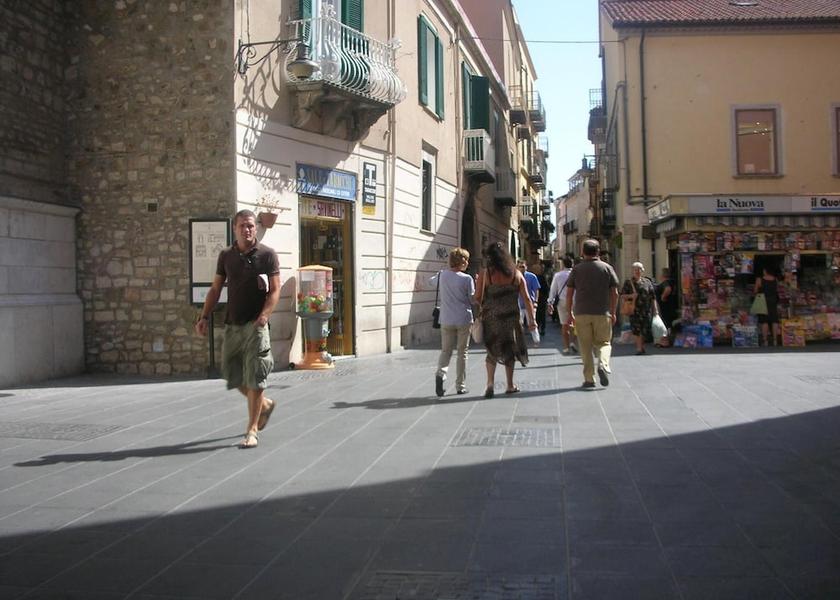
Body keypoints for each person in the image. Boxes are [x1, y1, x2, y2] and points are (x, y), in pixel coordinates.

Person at [194, 210, 280, 449]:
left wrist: (264, 315)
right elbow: (214, 289)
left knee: (255, 376)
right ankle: (263, 405)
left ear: (255, 227)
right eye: (242, 225)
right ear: (235, 229)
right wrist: (204, 316)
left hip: (256, 325)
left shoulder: (267, 255)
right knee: (230, 374)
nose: (247, 229)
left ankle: (251, 430)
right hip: (233, 324)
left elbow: (275, 290)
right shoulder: (226, 256)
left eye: (251, 225)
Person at [476, 243, 537, 398]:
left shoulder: (485, 274)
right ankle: (510, 385)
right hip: (511, 318)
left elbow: (477, 297)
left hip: (491, 317)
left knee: (492, 351)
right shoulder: (516, 274)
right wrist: (532, 320)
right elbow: (527, 299)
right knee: (510, 350)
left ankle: (490, 384)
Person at [565, 239, 619, 388]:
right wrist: (613, 311)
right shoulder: (607, 268)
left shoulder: (576, 269)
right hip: (602, 312)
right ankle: (603, 364)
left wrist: (570, 313)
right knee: (604, 343)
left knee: (585, 346)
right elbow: (614, 292)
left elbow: (569, 294)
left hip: (581, 312)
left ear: (582, 252)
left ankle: (589, 379)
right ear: (598, 251)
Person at [433, 248, 475, 397]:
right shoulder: (467, 279)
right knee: (462, 353)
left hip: (446, 318)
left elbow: (432, 283)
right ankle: (460, 386)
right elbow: (472, 299)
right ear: (462, 262)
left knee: (446, 351)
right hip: (463, 318)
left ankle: (440, 374)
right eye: (466, 260)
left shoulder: (442, 275)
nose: (468, 263)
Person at [621, 262, 659, 355]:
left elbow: (653, 296)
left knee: (645, 329)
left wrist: (656, 310)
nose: (637, 271)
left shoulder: (647, 282)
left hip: (646, 310)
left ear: (642, 271)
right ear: (633, 271)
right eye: (635, 270)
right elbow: (622, 296)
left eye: (639, 269)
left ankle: (641, 346)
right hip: (634, 309)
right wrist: (631, 295)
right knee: (637, 329)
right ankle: (639, 348)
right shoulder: (628, 282)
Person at [547, 257, 577, 354]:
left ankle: (566, 347)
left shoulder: (558, 275)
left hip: (562, 301)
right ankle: (573, 342)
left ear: (563, 264)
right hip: (574, 301)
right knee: (574, 322)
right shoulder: (576, 274)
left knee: (564, 324)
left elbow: (553, 289)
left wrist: (550, 302)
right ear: (572, 264)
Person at [753, 266, 781, 346]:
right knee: (774, 320)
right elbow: (777, 290)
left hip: (762, 301)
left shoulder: (759, 279)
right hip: (773, 301)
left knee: (764, 321)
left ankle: (765, 341)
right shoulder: (775, 279)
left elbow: (755, 291)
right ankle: (775, 340)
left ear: (765, 271)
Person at [516, 260, 540, 330]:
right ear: (517, 267)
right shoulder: (515, 277)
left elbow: (536, 289)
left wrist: (536, 301)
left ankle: (536, 339)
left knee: (532, 323)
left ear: (526, 267)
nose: (521, 268)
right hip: (518, 304)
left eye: (523, 267)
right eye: (520, 267)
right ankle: (519, 338)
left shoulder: (532, 276)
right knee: (519, 324)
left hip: (530, 303)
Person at [656, 267, 678, 333]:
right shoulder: (672, 282)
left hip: (665, 308)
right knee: (670, 325)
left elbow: (668, 289)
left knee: (666, 324)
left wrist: (663, 297)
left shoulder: (665, 283)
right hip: (671, 306)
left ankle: (667, 339)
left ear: (663, 275)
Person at [533, 263, 549, 336]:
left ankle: (538, 327)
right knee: (542, 314)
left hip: (537, 298)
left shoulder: (535, 277)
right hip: (542, 299)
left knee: (537, 314)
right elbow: (546, 288)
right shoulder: (542, 277)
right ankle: (542, 328)